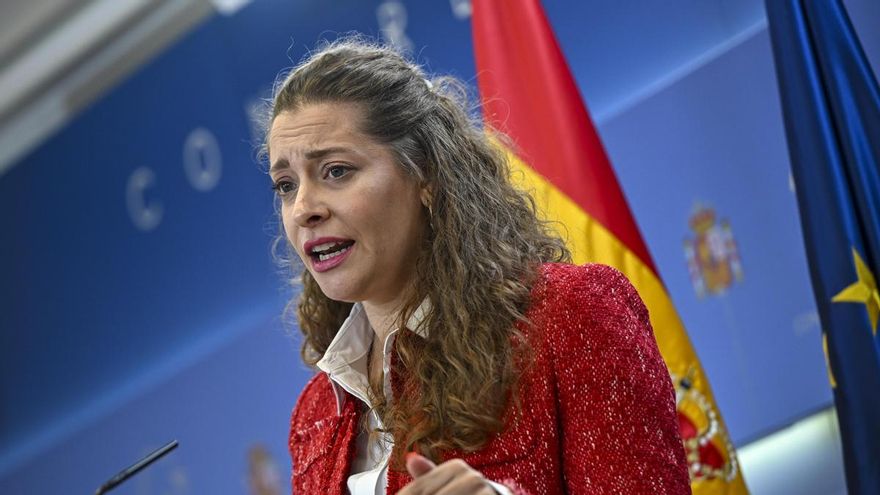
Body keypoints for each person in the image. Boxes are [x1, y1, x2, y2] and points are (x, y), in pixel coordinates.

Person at [264, 37, 691, 495]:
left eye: (336, 171)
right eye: (285, 185)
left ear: (424, 174)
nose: (303, 207)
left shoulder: (569, 315)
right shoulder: (316, 414)